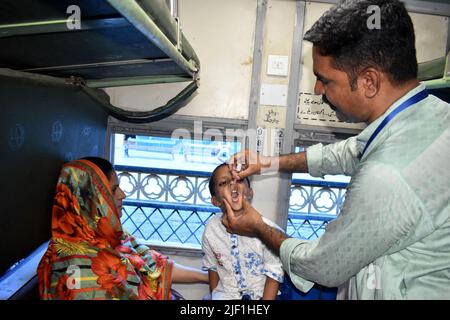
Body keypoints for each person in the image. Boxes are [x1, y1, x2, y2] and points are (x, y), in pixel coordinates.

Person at [225, 0, 450, 299]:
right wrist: (267, 162)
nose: (318, 90)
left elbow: (323, 267)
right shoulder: (432, 117)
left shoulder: (386, 177)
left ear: (369, 81)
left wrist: (258, 227)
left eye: (325, 79)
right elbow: (347, 153)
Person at [37, 157, 208, 300]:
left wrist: (207, 276)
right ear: (89, 200)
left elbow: (152, 264)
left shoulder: (108, 233)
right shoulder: (78, 267)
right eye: (112, 190)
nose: (122, 195)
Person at [201, 163, 284, 300]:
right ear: (215, 201)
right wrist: (214, 294)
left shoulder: (267, 230)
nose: (233, 184)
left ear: (250, 192)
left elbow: (273, 274)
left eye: (239, 179)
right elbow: (213, 268)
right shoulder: (211, 229)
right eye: (224, 182)